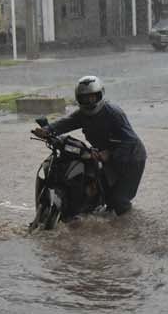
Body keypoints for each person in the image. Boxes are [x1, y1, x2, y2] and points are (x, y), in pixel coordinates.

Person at [32, 76, 147, 215]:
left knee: (118, 201)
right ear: (79, 99)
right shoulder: (82, 114)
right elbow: (65, 123)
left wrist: (109, 154)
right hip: (105, 156)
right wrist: (47, 130)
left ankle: (128, 224)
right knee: (100, 191)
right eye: (85, 98)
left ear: (100, 95)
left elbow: (131, 141)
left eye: (92, 97)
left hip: (131, 158)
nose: (89, 101)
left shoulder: (113, 113)